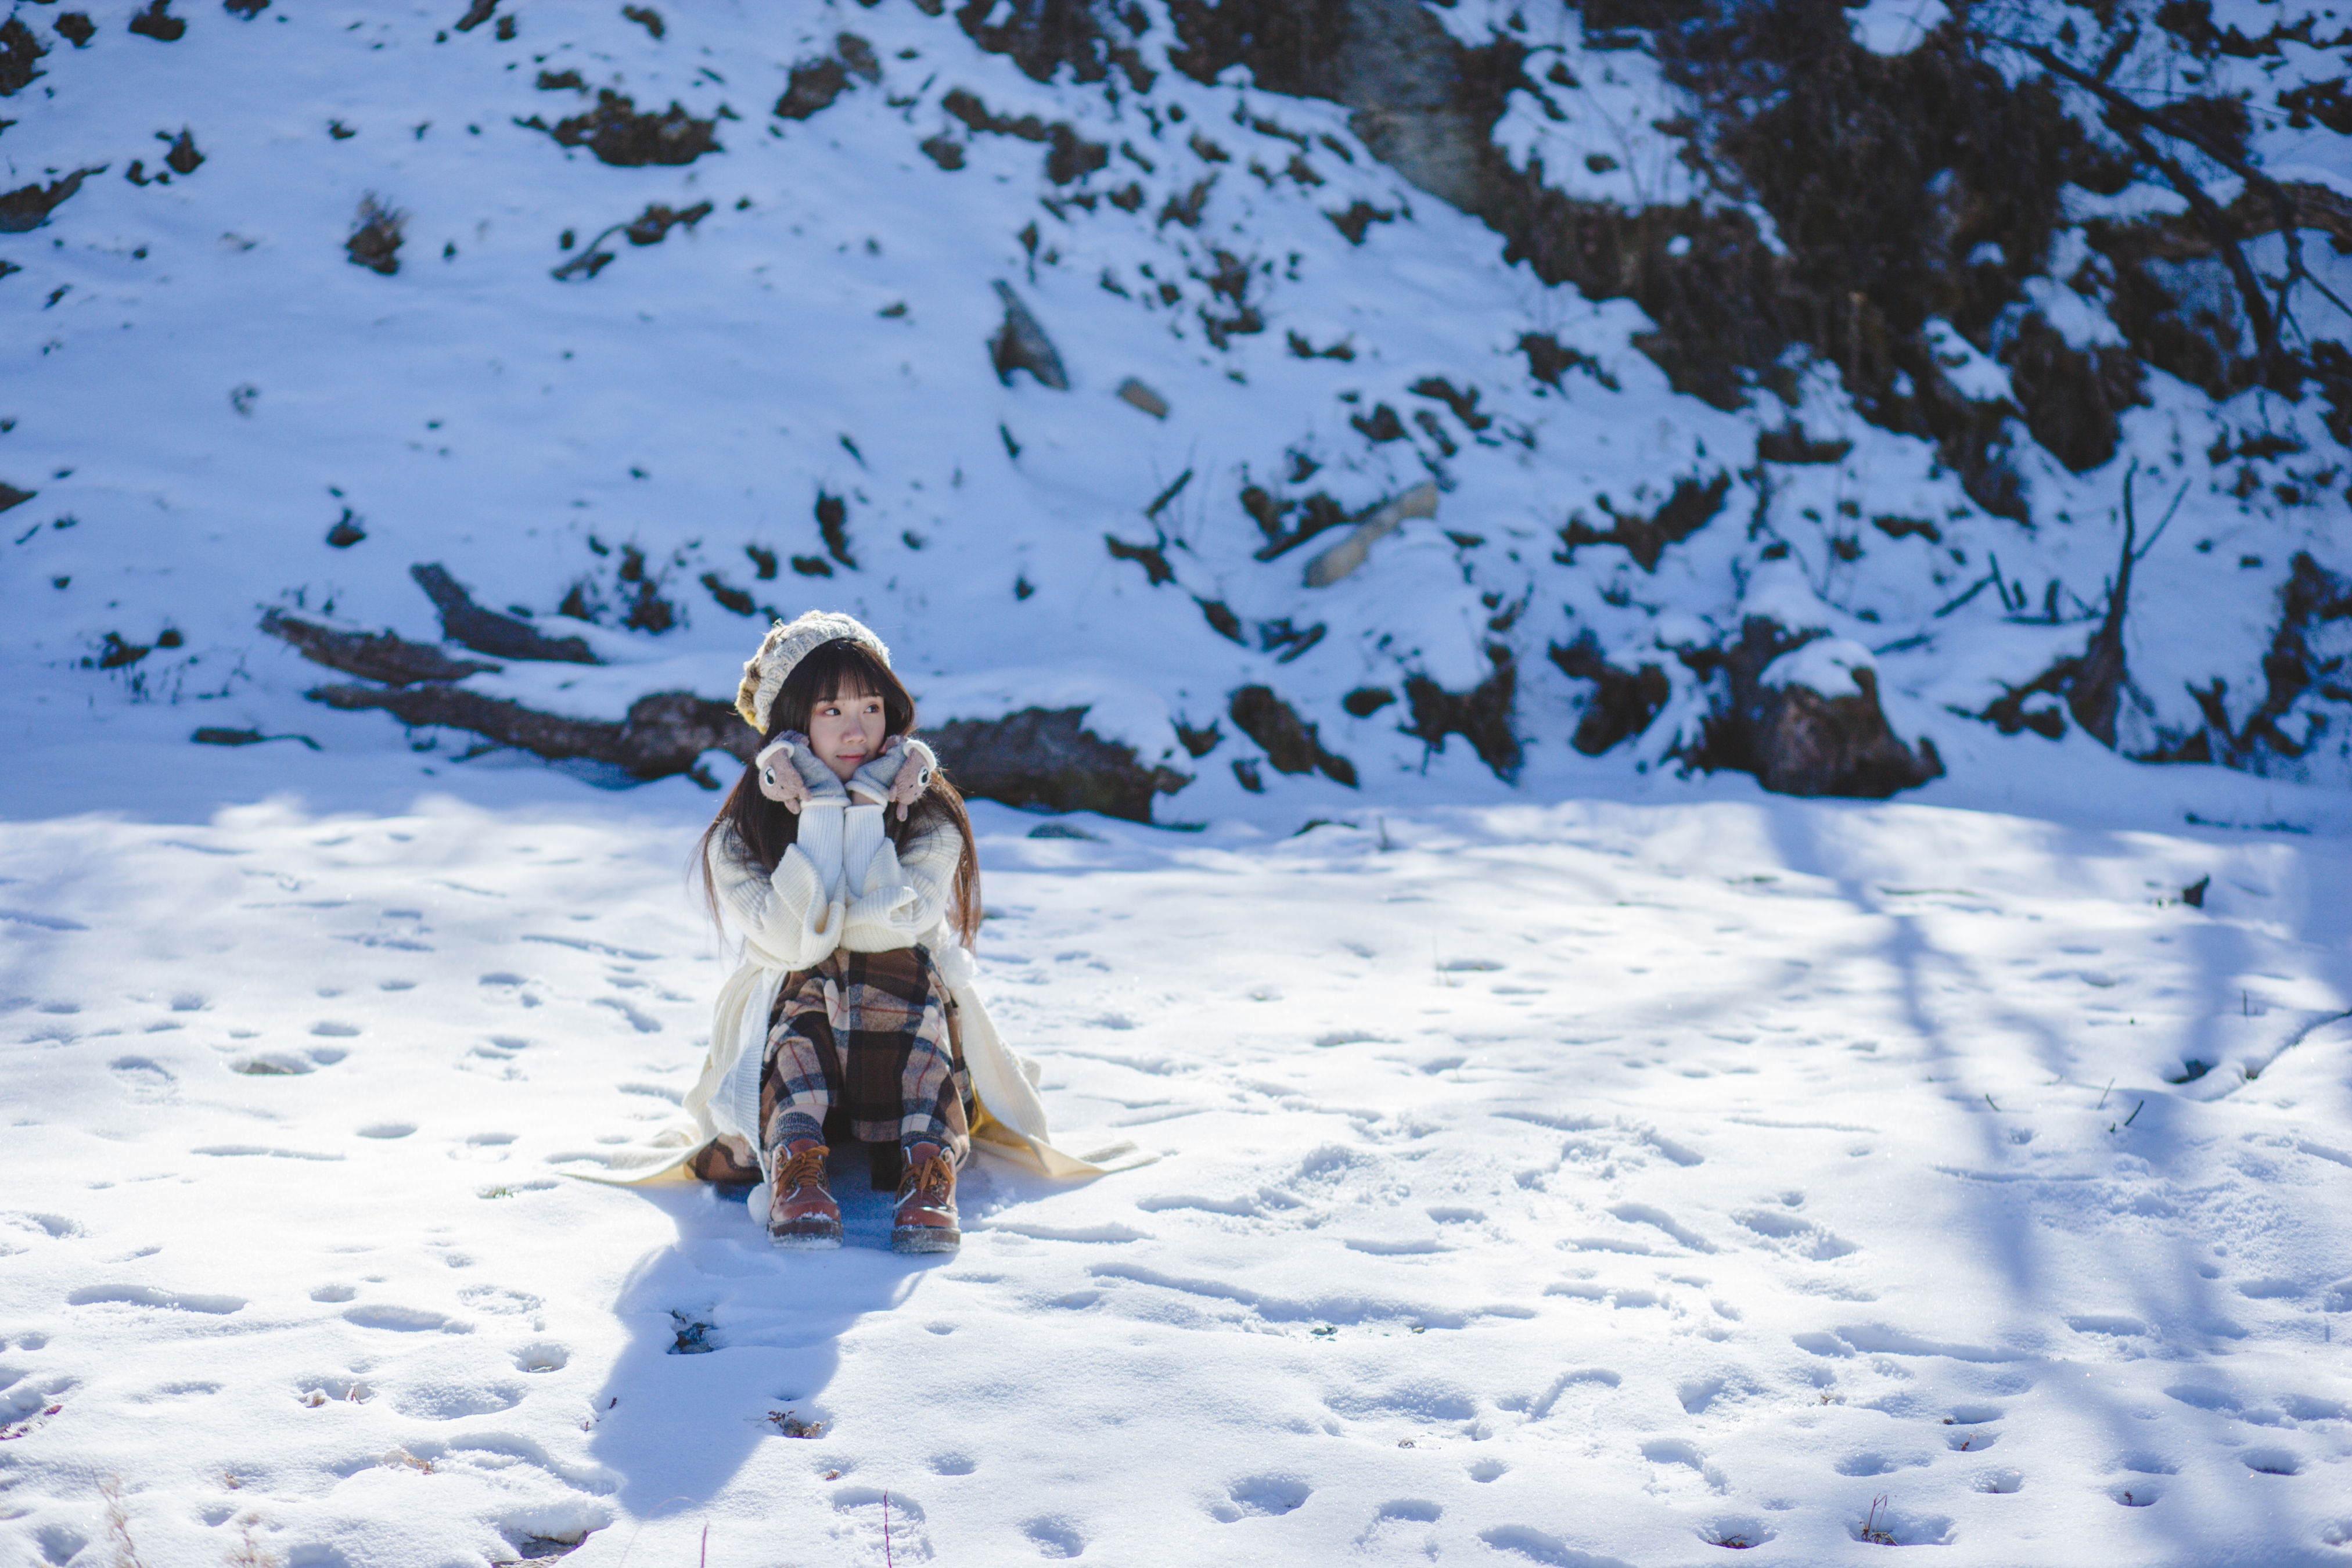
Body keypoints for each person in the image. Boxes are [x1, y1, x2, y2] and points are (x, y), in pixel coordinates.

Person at [678, 611, 1115, 1254]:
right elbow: (803, 943)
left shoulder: (928, 818)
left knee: (901, 962)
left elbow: (893, 930)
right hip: (795, 1046)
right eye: (831, 710)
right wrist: (824, 809)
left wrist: (869, 810)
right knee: (811, 971)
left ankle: (928, 1170)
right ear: (793, 724)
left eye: (872, 706)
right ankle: (798, 1159)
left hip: (910, 1047)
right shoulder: (739, 836)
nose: (857, 730)